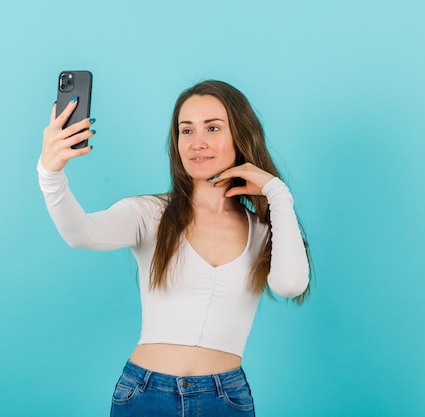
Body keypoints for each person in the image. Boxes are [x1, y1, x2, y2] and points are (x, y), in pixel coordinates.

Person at [38, 80, 311, 417]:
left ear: (241, 135)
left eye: (213, 128)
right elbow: (80, 233)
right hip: (145, 394)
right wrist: (50, 174)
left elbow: (290, 283)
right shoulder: (148, 214)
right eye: (186, 131)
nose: (198, 143)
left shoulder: (263, 230)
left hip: (225, 399)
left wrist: (277, 193)